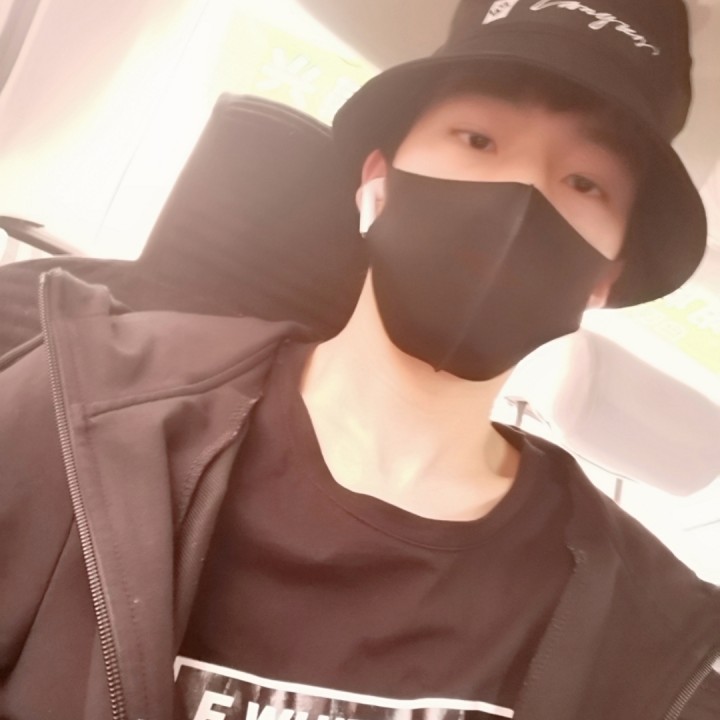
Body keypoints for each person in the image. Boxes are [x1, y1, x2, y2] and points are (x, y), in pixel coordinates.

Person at [0, 1, 718, 719]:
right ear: (377, 181)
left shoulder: (646, 640)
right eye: (478, 140)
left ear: (604, 280)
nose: (522, 197)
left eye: (585, 183)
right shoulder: (85, 403)